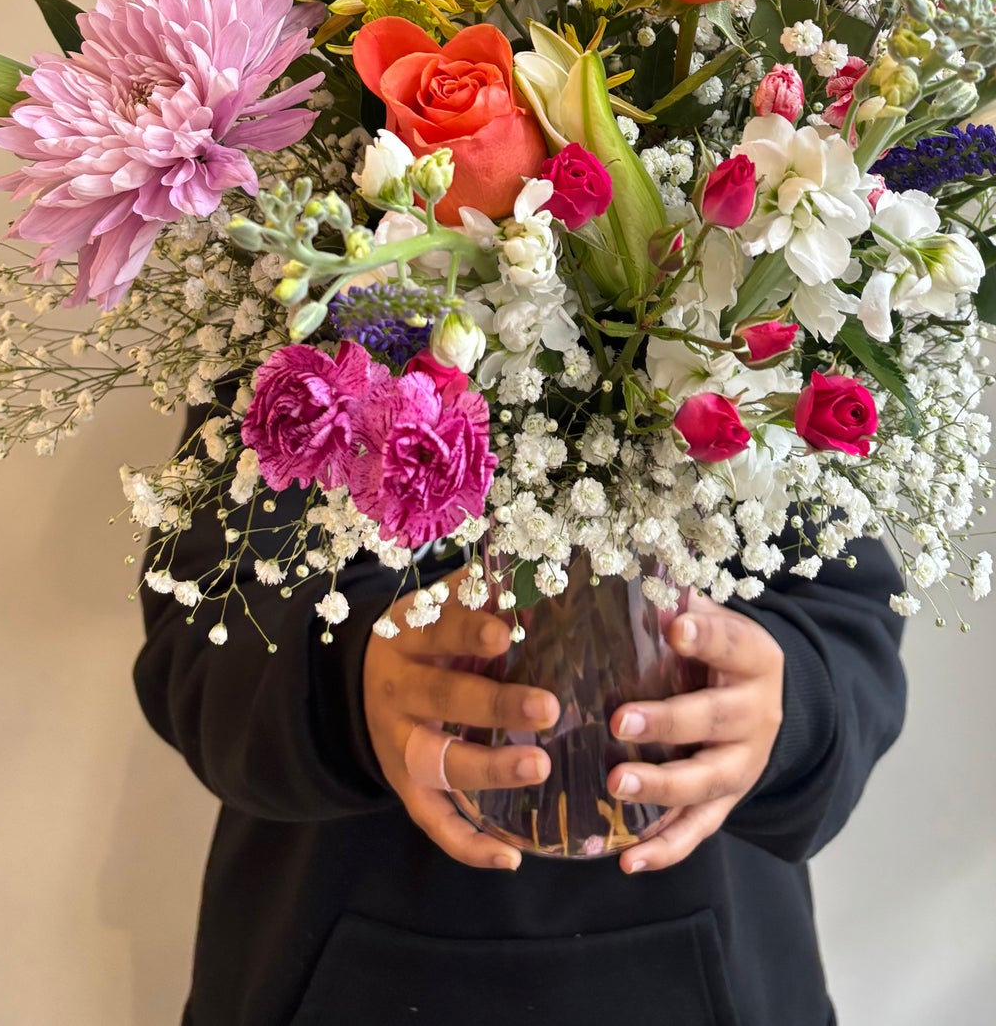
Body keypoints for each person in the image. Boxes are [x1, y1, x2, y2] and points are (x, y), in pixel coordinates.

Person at [135, 413, 908, 1026]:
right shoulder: (305, 266)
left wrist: (783, 701)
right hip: (333, 968)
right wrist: (349, 683)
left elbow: (847, 619)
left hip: (710, 972)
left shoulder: (769, 269)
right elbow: (199, 643)